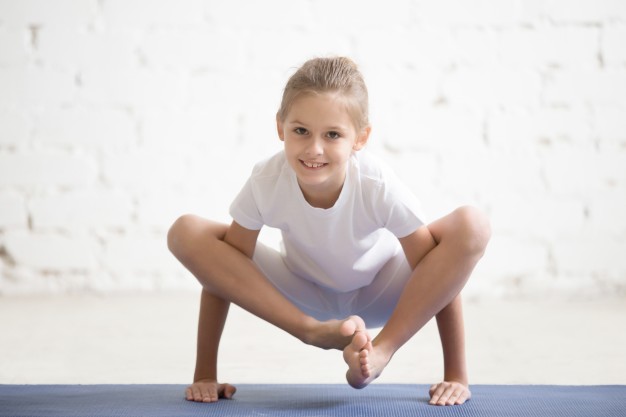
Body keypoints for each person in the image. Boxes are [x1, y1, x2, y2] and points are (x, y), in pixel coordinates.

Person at [167, 56, 491, 407]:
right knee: (186, 231)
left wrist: (456, 374)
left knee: (472, 226)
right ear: (280, 127)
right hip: (300, 292)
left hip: (380, 291)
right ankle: (310, 330)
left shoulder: (375, 183)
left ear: (360, 138)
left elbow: (441, 273)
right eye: (300, 130)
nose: (314, 149)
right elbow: (223, 273)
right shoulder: (266, 181)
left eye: (332, 134)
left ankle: (379, 352)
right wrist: (205, 374)